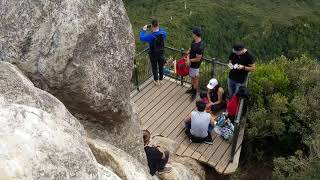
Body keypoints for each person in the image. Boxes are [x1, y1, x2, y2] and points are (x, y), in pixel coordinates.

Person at [140, 19, 168, 86]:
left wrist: (143, 30)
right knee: (161, 67)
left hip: (153, 54)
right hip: (161, 54)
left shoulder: (149, 36)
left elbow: (141, 38)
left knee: (154, 67)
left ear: (152, 26)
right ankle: (161, 80)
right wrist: (157, 27)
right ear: (158, 25)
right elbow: (161, 30)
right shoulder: (163, 33)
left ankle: (156, 81)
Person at [185, 27, 205, 100]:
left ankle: (194, 93)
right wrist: (188, 51)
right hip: (191, 64)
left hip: (195, 66)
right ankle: (192, 89)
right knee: (192, 78)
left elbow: (198, 59)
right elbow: (191, 47)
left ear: (196, 34)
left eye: (193, 33)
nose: (192, 34)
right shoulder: (194, 41)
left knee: (195, 79)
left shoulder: (200, 47)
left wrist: (189, 60)